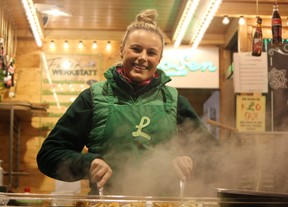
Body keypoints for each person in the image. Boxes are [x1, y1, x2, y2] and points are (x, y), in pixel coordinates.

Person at [37, 9, 218, 196]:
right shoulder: (92, 98)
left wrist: (189, 161)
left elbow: (214, 157)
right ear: (122, 49)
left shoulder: (174, 102)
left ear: (159, 59)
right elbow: (48, 154)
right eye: (136, 49)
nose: (143, 58)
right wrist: (87, 164)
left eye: (151, 52)